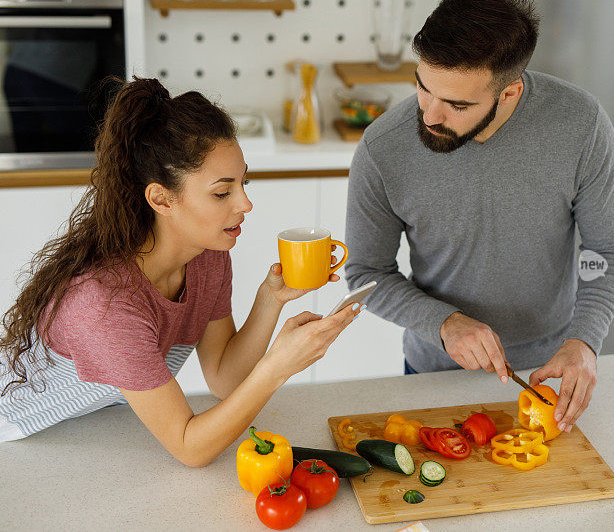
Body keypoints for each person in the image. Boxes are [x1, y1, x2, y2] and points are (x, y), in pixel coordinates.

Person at [0, 77, 359, 466]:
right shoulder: (104, 306)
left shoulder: (207, 256)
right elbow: (190, 448)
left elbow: (225, 379)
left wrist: (270, 299)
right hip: (18, 439)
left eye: (244, 182)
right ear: (161, 198)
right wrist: (278, 367)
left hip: (86, 432)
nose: (246, 203)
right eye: (222, 192)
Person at [345, 0, 614, 434]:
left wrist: (585, 341)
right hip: (433, 374)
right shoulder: (383, 147)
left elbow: (611, 250)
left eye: (456, 105)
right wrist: (444, 323)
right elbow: (365, 274)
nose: (428, 114)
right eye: (423, 87)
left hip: (550, 373)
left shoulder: (580, 125)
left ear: (510, 93)